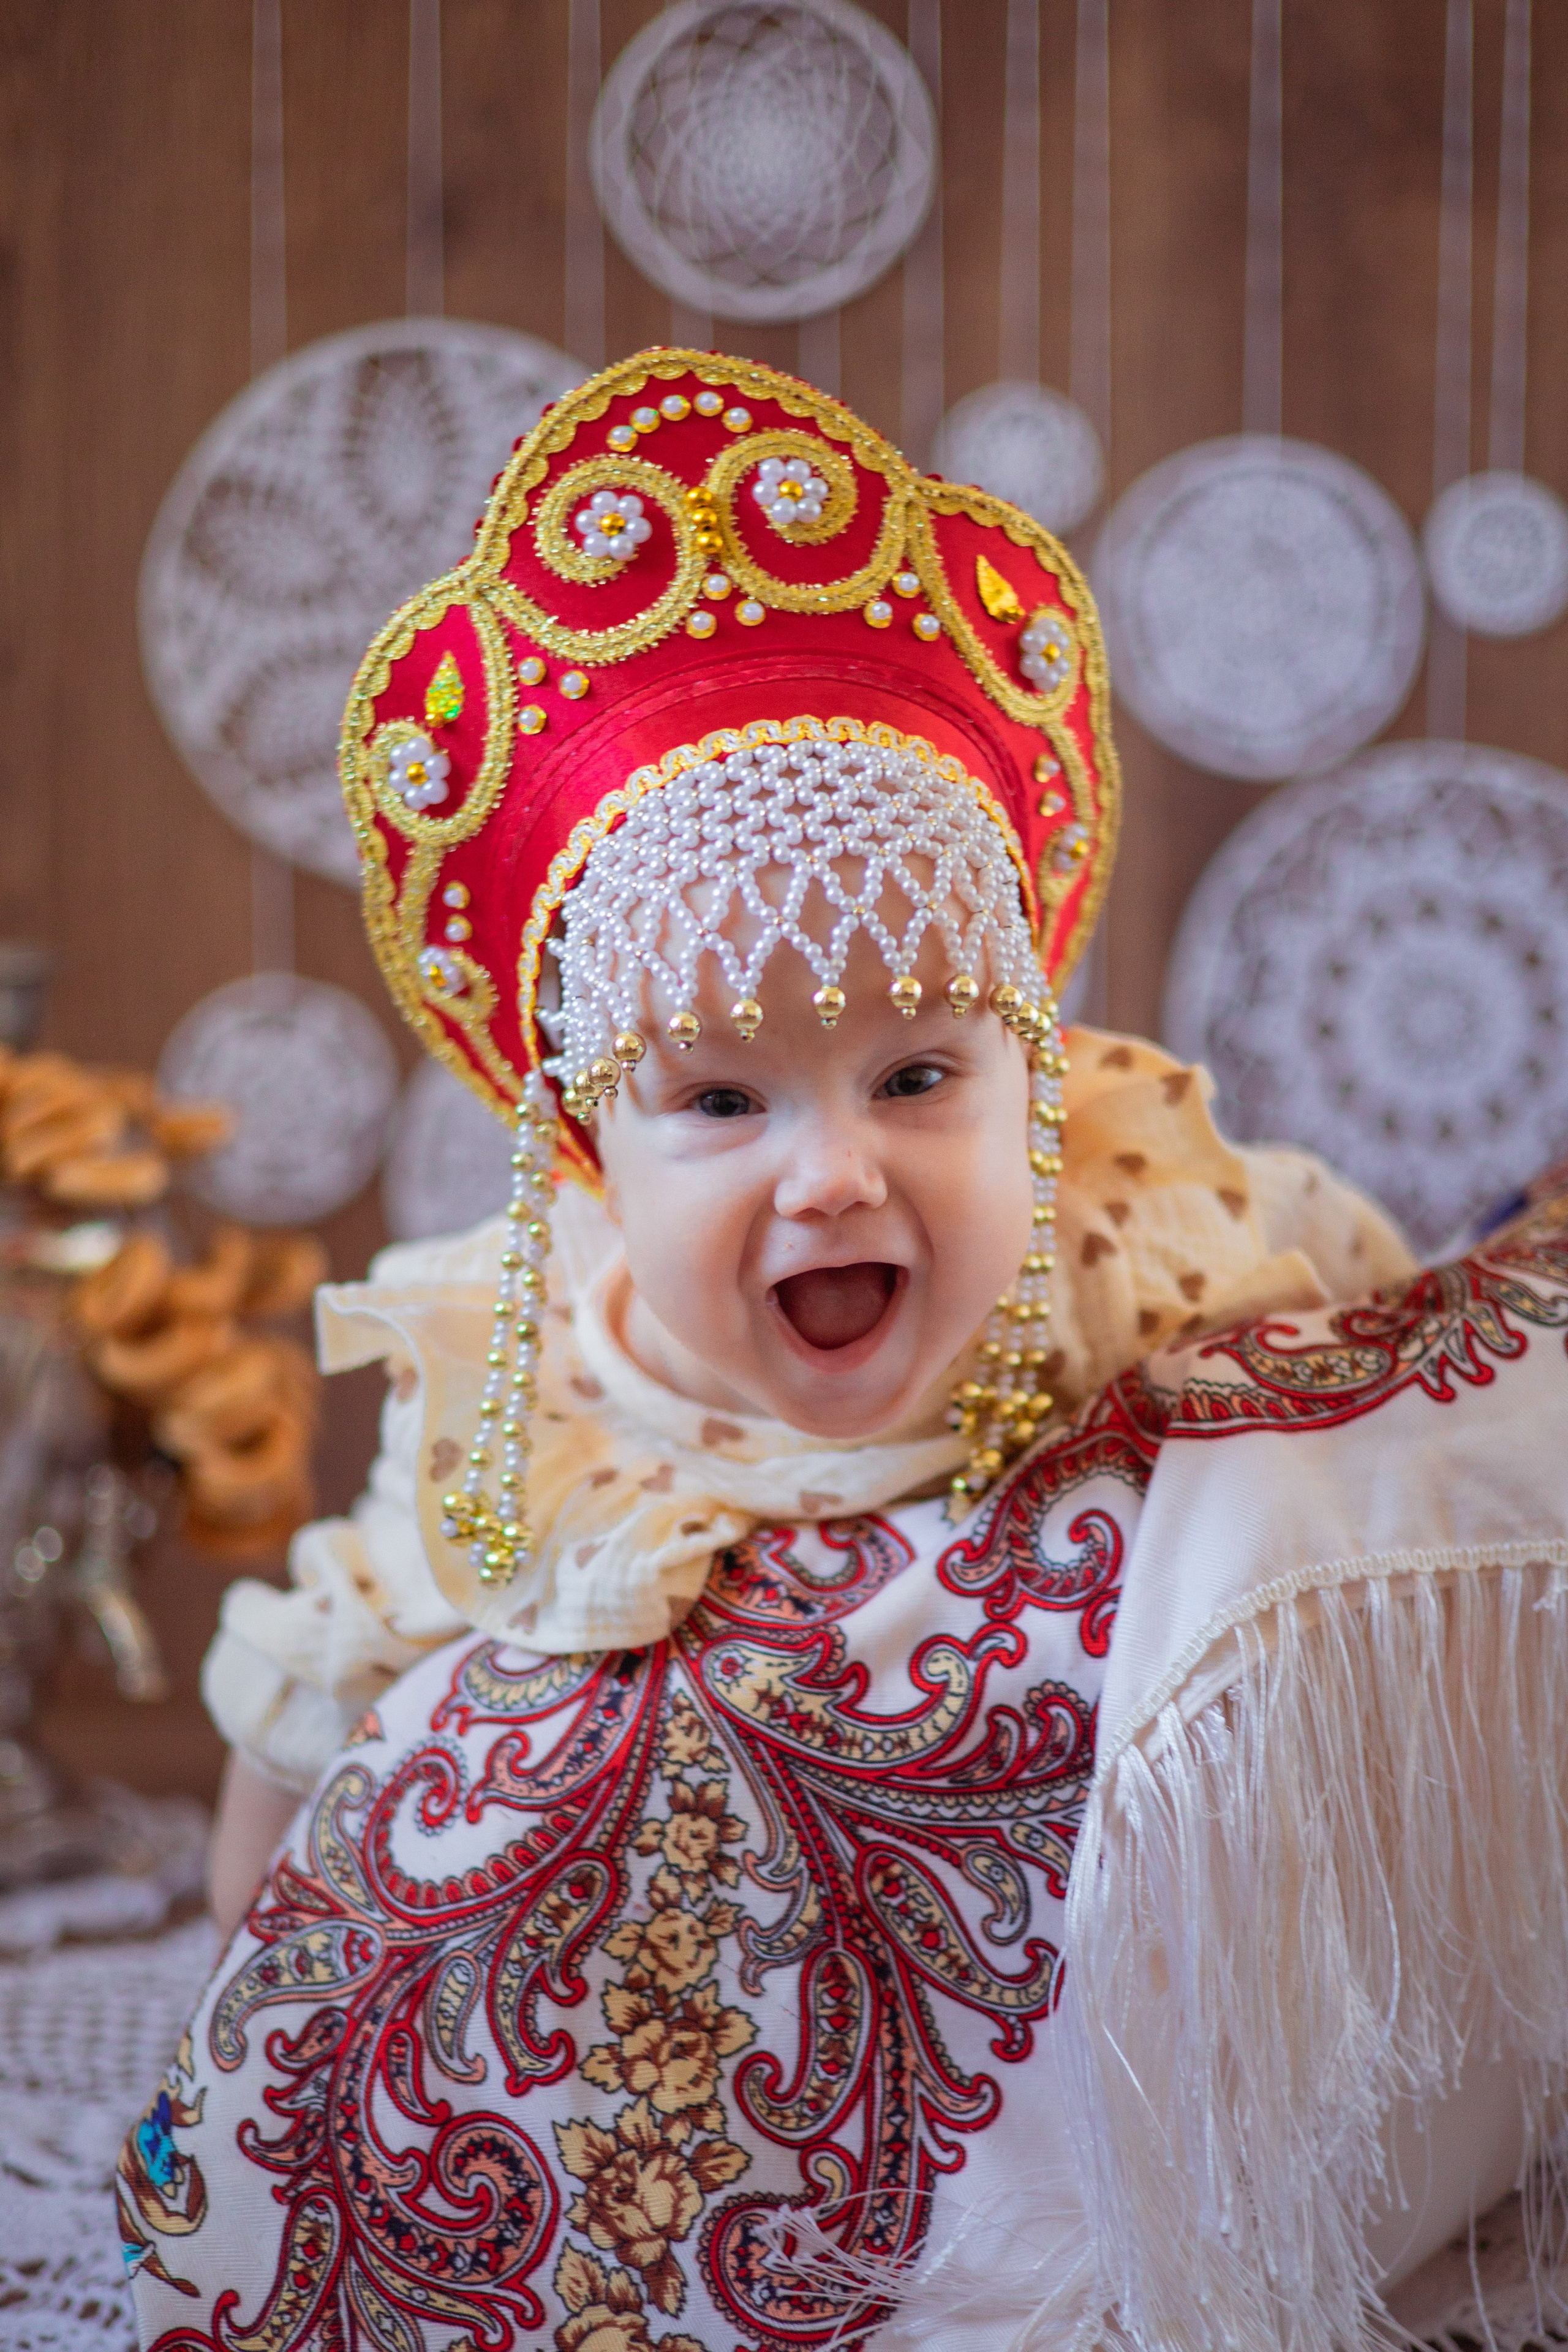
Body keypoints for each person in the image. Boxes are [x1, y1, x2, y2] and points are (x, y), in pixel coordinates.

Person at [120, 350, 1568, 2352]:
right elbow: (329, 1682)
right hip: (758, 2019)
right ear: (586, 1154)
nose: (834, 1175)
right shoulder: (528, 1364)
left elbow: (1362, 1416)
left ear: (1034, 1075)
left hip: (1108, 1949)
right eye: (723, 1103)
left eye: (916, 1075)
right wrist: (276, 1991)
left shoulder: (1142, 1219)